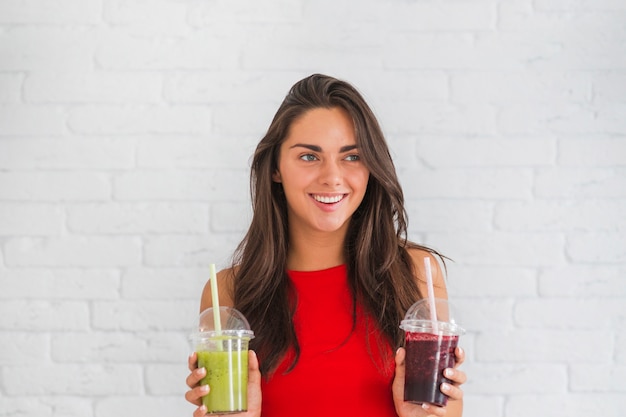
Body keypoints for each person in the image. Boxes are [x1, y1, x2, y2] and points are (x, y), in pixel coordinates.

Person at [184, 74, 467, 417]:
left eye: (351, 157)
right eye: (308, 157)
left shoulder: (415, 272)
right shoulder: (227, 292)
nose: (332, 177)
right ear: (275, 167)